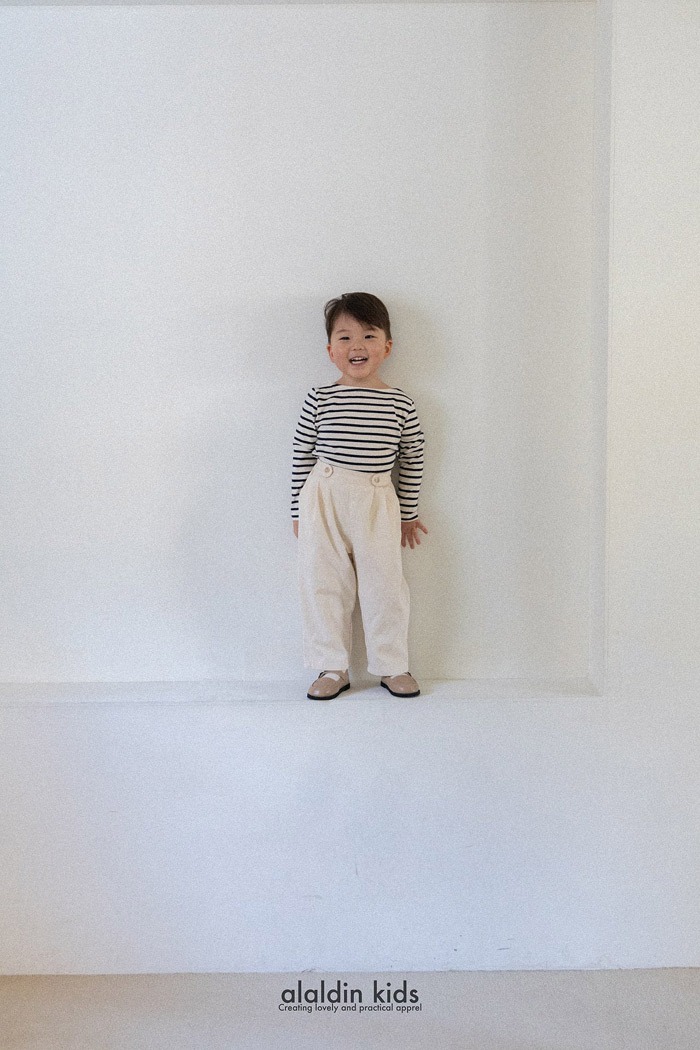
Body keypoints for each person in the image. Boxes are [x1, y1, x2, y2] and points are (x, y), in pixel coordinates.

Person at [291, 292, 427, 700]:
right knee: (324, 583)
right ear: (331, 350)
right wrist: (298, 510)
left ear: (387, 346)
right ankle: (331, 666)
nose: (358, 346)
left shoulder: (399, 403)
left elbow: (413, 457)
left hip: (376, 499)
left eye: (369, 335)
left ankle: (392, 664)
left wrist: (408, 513)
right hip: (324, 497)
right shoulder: (320, 398)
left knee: (385, 585)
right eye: (345, 337)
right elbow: (301, 454)